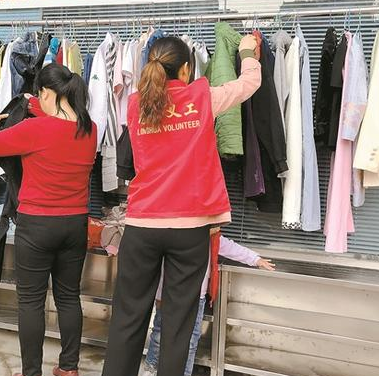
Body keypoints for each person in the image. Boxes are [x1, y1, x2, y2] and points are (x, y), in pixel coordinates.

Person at [101, 35, 262, 376]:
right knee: (178, 326)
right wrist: (247, 51)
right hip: (189, 231)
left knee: (127, 318)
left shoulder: (136, 104)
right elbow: (250, 83)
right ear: (186, 70)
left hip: (142, 226)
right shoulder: (202, 98)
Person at [0, 64, 97, 376]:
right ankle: (69, 368)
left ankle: (31, 373)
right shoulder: (90, 129)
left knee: (31, 302)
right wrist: (34, 104)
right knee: (69, 297)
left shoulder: (35, 130)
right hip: (75, 224)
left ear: (47, 93)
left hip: (37, 226)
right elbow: (57, 121)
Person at [142, 229, 275, 376]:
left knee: (191, 340)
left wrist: (255, 259)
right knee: (160, 333)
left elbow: (230, 247)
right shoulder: (174, 232)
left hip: (196, 296)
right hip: (168, 294)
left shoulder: (211, 237)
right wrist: (159, 295)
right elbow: (162, 264)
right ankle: (150, 371)